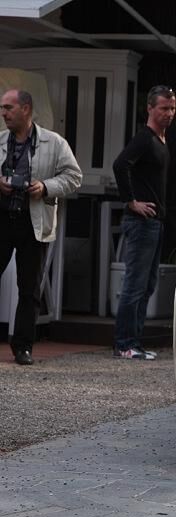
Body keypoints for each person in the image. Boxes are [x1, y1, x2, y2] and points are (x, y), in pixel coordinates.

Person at [0, 89, 82, 365]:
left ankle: (23, 346)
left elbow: (74, 177)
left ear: (26, 109)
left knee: (29, 288)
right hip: (3, 218)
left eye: (8, 108)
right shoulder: (0, 140)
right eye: (2, 108)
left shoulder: (54, 142)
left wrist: (46, 187)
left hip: (33, 222)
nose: (3, 113)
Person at [112, 85, 176, 360]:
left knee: (147, 285)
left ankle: (134, 342)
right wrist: (131, 202)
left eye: (172, 108)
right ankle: (125, 344)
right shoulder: (144, 138)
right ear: (150, 108)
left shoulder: (162, 139)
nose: (169, 113)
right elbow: (120, 165)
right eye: (164, 108)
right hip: (141, 222)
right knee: (134, 285)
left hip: (154, 222)